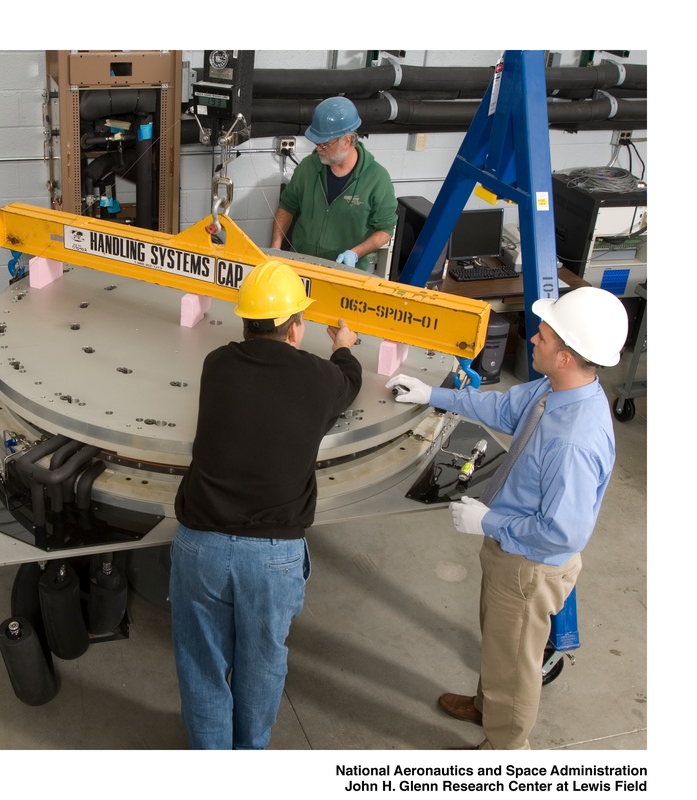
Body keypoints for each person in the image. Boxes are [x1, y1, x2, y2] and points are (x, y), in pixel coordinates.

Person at [385, 286, 629, 750]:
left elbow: (564, 532)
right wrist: (432, 394)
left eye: (545, 335)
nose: (532, 337)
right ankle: (485, 707)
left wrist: (489, 523)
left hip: (530, 565)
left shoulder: (576, 440)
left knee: (515, 667)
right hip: (510, 552)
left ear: (567, 356)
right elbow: (502, 408)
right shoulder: (554, 389)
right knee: (500, 647)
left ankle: (505, 750)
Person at [170, 260, 362, 749]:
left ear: (245, 320)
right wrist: (343, 346)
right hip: (273, 556)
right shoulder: (320, 379)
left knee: (202, 665)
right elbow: (348, 381)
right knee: (261, 665)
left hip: (201, 547)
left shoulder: (217, 365)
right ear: (296, 327)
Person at [270, 96, 397, 270]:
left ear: (347, 140)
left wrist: (355, 253)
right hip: (302, 265)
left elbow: (385, 230)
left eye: (325, 145)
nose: (318, 149)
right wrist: (275, 248)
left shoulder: (377, 179)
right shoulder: (308, 167)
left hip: (346, 272)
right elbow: (287, 206)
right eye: (317, 143)